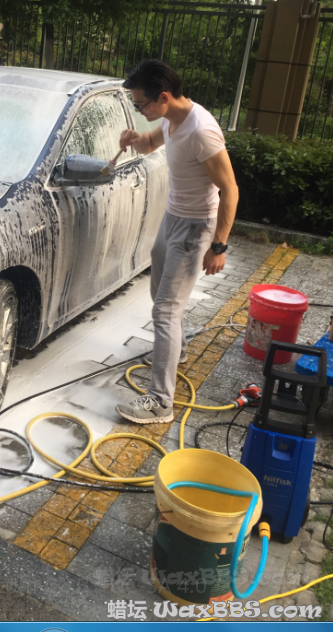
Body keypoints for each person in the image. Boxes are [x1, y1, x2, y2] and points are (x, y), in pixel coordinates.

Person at [115, 59, 239, 425]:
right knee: (161, 295)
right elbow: (149, 144)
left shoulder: (201, 131)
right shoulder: (171, 119)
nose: (140, 110)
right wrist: (134, 138)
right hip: (172, 219)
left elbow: (230, 190)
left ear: (164, 96)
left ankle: (160, 402)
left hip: (196, 227)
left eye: (141, 104)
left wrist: (219, 246)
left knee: (165, 311)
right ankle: (177, 350)